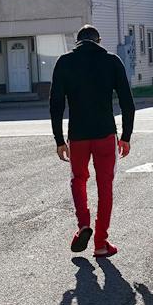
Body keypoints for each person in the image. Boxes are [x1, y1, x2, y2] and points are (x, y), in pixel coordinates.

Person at [49, 25, 135, 258]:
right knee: (105, 186)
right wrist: (126, 136)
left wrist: (59, 139)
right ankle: (101, 242)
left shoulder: (65, 62)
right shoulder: (111, 61)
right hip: (105, 134)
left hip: (77, 136)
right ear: (98, 40)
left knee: (78, 180)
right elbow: (127, 102)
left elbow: (56, 104)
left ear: (77, 42)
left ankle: (83, 225)